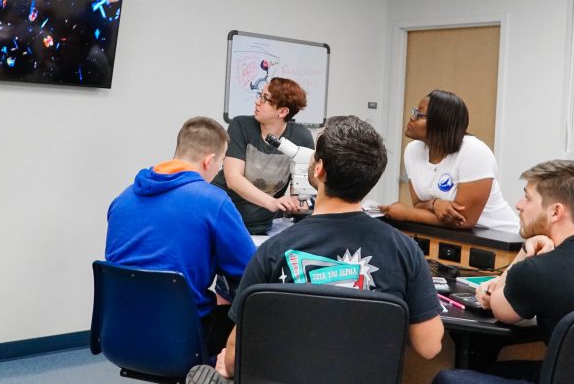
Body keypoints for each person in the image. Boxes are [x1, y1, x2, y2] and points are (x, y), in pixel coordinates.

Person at [188, 116, 445, 383]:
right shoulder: (405, 251)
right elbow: (429, 347)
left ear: (319, 169)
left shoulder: (274, 251)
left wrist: (227, 365)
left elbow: (234, 355)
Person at [435, 160, 574, 383]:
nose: (519, 205)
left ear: (555, 211)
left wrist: (524, 251)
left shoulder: (539, 269)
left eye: (528, 198)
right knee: (500, 370)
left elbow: (496, 305)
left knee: (448, 379)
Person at [105, 116, 256, 356]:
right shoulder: (212, 201)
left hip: (119, 330)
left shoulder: (122, 199)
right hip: (183, 335)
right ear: (209, 161)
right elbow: (250, 268)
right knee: (252, 326)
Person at [381, 90, 518, 232]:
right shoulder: (412, 150)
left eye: (420, 115)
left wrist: (407, 214)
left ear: (441, 123)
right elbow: (419, 205)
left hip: (501, 237)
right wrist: (435, 204)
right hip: (455, 236)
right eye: (414, 111)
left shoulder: (475, 152)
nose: (412, 118)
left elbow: (465, 220)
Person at [212, 77, 314, 235]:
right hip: (222, 217)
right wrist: (272, 202)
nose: (257, 102)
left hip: (260, 226)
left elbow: (298, 193)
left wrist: (298, 202)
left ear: (282, 111)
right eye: (260, 96)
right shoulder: (241, 126)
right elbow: (233, 179)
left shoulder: (302, 138)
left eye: (265, 99)